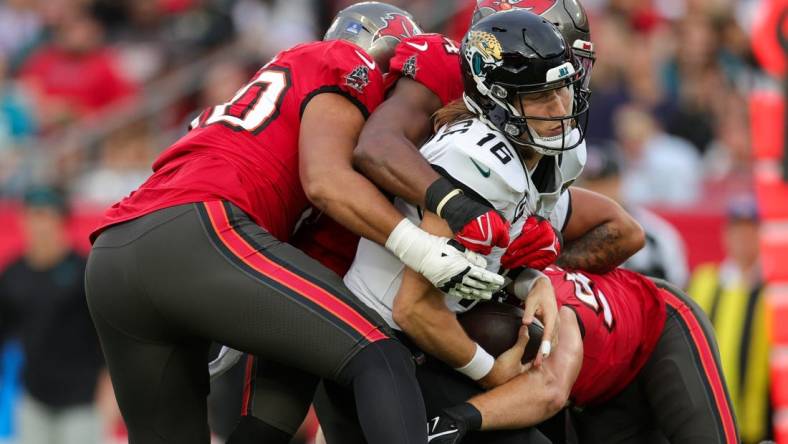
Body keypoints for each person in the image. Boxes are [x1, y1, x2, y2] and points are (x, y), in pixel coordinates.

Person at [84, 3, 506, 443]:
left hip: (115, 257)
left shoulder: (271, 100)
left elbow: (313, 257)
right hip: (200, 229)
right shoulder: (346, 61)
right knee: (381, 358)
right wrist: (419, 247)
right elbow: (325, 180)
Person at [0, 187, 107, 444]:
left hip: (82, 400)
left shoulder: (84, 271)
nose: (40, 225)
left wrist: (109, 391)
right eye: (33, 216)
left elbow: (108, 336)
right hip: (34, 397)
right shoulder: (14, 274)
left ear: (61, 221)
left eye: (47, 216)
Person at [687, 196, 772, 444]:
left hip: (760, 424)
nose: (744, 238)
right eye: (738, 231)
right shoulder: (704, 282)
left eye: (751, 231)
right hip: (708, 421)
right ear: (726, 235)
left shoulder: (776, 291)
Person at [578, 142, 689, 287]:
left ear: (619, 183)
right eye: (590, 186)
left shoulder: (655, 236)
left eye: (604, 185)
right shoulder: (570, 233)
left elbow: (678, 288)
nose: (596, 193)